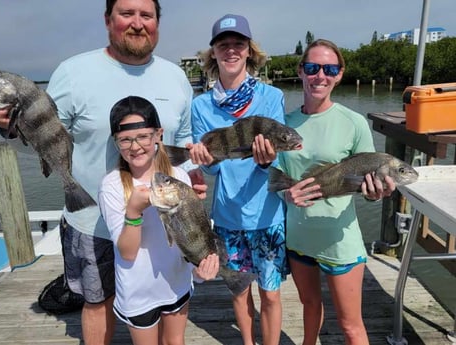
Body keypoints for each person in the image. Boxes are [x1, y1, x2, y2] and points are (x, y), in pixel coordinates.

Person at [0, 1, 204, 344]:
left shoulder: (176, 77)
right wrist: (11, 127)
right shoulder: (73, 72)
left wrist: (192, 176)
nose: (137, 23)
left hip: (159, 222)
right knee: (96, 303)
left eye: (146, 15)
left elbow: (182, 141)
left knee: (170, 302)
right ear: (108, 20)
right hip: (89, 221)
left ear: (157, 22)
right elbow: (41, 134)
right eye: (126, 14)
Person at [276, 39, 396, 345]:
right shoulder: (284, 124)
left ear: (339, 74)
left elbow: (369, 181)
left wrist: (375, 192)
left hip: (339, 238)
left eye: (329, 69)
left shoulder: (353, 122)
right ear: (300, 71)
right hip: (299, 235)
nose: (320, 76)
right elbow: (275, 181)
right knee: (309, 306)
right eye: (313, 68)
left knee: (350, 324)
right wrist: (285, 196)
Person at [188, 14, 288, 345]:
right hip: (228, 216)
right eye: (223, 44)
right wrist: (206, 163)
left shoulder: (272, 97)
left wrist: (266, 160)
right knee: (240, 292)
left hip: (267, 215)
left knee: (270, 295)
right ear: (213, 53)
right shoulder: (201, 105)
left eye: (238, 44)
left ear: (249, 51)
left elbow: (276, 155)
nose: (231, 50)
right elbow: (214, 168)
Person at [98, 96, 218, 345]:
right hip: (138, 291)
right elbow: (128, 253)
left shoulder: (178, 176)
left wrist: (200, 267)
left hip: (176, 282)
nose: (135, 146)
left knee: (176, 341)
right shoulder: (112, 186)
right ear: (116, 143)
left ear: (158, 135)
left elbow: (193, 231)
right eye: (125, 140)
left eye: (143, 136)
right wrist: (133, 212)